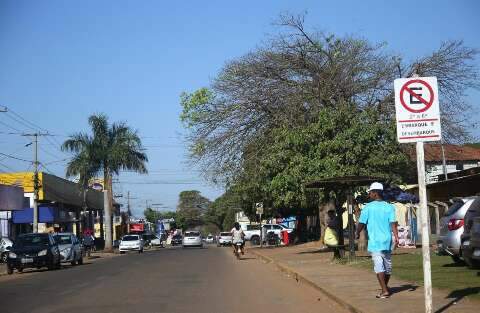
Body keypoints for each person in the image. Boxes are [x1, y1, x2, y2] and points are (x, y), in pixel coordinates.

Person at [355, 182, 399, 299]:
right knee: (387, 267)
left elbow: (362, 223)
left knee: (379, 266)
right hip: (387, 241)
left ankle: (384, 291)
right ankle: (385, 287)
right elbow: (393, 223)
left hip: (375, 242)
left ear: (375, 193)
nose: (369, 194)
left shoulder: (368, 208)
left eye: (370, 192)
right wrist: (397, 237)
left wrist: (357, 232)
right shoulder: (389, 207)